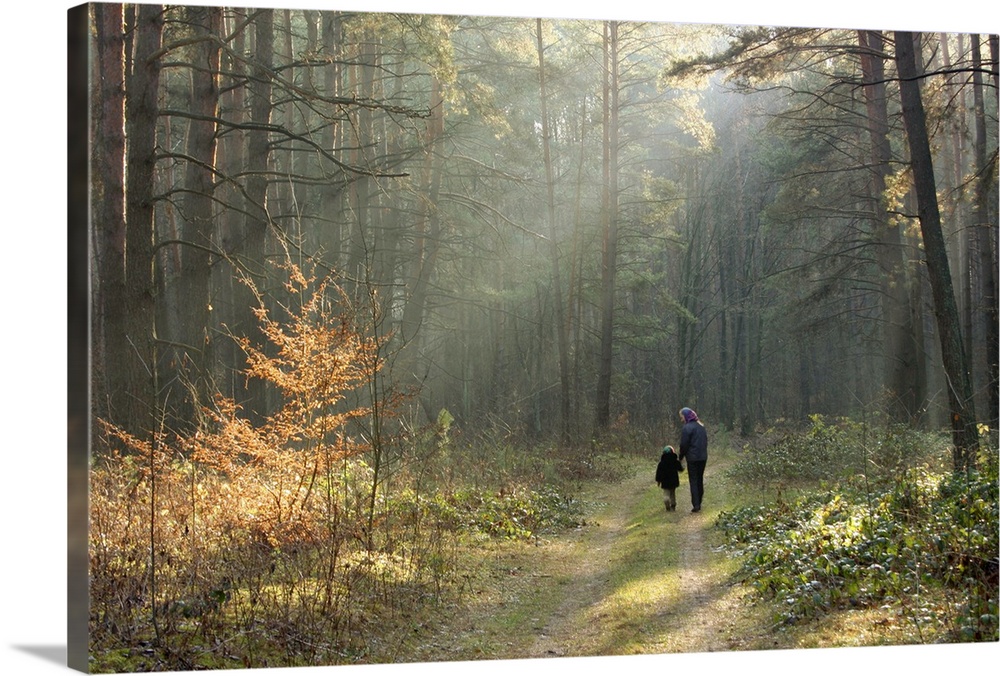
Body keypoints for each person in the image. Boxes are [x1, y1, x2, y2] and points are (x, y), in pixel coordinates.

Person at [678, 407, 707, 512]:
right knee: (700, 479)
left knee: (693, 480)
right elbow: (705, 442)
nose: (681, 419)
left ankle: (696, 505)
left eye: (681, 417)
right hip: (703, 457)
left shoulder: (687, 428)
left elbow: (684, 445)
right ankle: (699, 501)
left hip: (692, 458)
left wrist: (680, 457)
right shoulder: (701, 426)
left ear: (686, 416)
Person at [655, 445, 684, 511]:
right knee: (672, 493)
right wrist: (682, 467)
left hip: (665, 482)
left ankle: (667, 502)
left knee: (666, 493)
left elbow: (659, 473)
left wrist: (658, 481)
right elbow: (680, 469)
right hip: (673, 481)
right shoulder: (675, 461)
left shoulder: (661, 463)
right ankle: (673, 505)